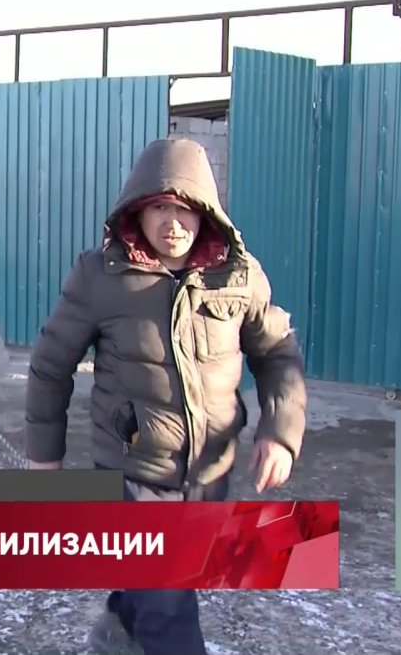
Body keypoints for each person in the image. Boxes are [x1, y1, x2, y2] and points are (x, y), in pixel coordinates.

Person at [23, 137, 309, 654]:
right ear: (137, 209)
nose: (172, 223)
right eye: (159, 207)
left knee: (163, 589)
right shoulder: (100, 275)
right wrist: (45, 458)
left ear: (205, 214)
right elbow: (50, 367)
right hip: (133, 476)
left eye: (184, 209)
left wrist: (280, 433)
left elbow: (277, 354)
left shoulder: (239, 277)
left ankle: (119, 628)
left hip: (209, 473)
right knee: (171, 611)